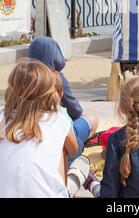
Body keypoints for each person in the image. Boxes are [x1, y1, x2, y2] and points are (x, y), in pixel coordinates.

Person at [0, 59, 78, 198]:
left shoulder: (2, 118)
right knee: (62, 148)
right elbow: (73, 150)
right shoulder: (57, 119)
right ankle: (66, 188)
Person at [28, 36, 98, 165]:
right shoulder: (55, 77)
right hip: (56, 142)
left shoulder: (22, 76)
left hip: (26, 139)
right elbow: (76, 111)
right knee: (91, 120)